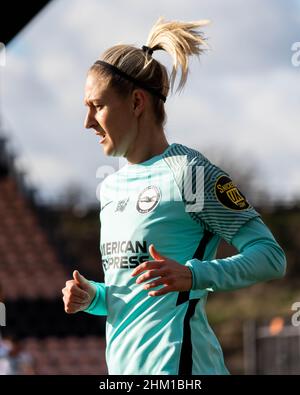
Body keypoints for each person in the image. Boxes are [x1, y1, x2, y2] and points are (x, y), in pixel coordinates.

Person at [62, 17, 286, 375]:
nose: (87, 121)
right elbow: (136, 295)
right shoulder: (111, 188)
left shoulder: (188, 172)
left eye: (97, 106)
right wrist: (95, 297)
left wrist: (195, 275)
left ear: (137, 102)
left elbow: (271, 257)